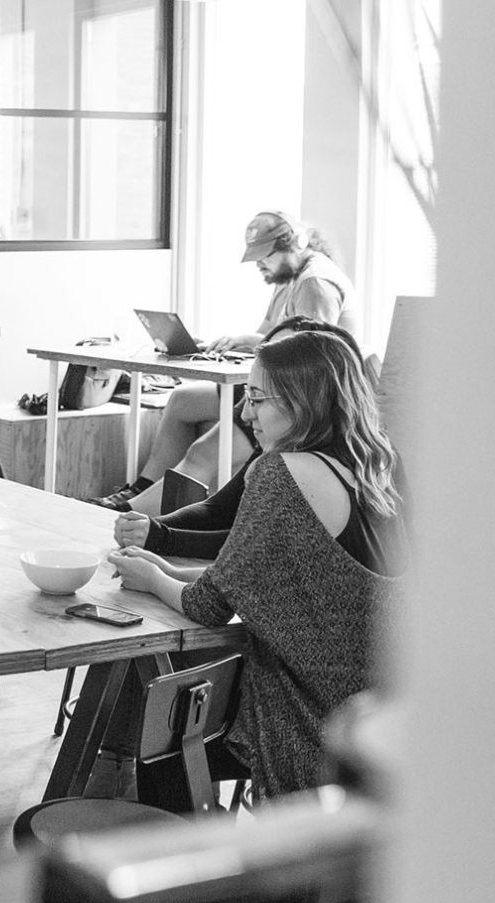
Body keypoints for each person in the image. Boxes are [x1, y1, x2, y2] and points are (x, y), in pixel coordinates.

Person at [108, 332, 407, 802]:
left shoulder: (282, 473)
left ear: (301, 402)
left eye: (255, 399)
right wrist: (160, 570)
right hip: (375, 717)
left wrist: (153, 579)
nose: (246, 415)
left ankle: (191, 869)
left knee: (162, 747)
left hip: (312, 725)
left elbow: (207, 605)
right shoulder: (368, 471)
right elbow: (257, 580)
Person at [93, 211, 359, 513]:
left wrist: (251, 342)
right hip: (274, 387)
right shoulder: (289, 280)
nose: (260, 264)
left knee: (201, 453)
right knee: (182, 401)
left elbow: (310, 357)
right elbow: (267, 336)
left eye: (266, 256)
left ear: (295, 244)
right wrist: (228, 344)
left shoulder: (316, 283)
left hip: (295, 399)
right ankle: (141, 488)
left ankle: (136, 515)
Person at [112, 318, 373, 560]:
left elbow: (238, 562)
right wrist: (150, 528)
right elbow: (218, 511)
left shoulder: (304, 468)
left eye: (258, 398)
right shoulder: (292, 445)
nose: (247, 415)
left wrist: (158, 539)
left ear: (307, 392)